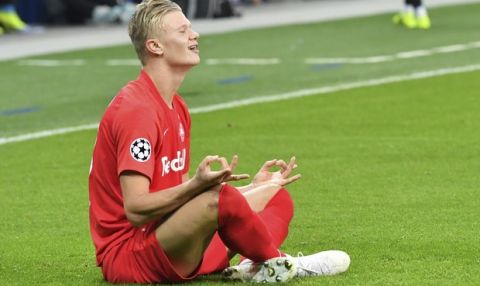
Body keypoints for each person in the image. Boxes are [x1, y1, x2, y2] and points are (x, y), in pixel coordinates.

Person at [88, 0, 350, 283]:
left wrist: (252, 188)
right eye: (182, 30)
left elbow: (178, 194)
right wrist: (200, 188)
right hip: (131, 255)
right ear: (155, 46)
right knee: (220, 199)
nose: (195, 35)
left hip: (168, 240)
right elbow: (136, 209)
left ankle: (253, 265)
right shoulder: (137, 109)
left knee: (274, 194)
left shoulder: (176, 106)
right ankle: (280, 263)